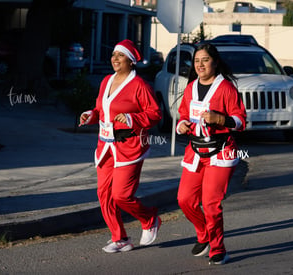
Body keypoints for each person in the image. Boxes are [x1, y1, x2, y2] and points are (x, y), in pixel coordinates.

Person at [79, 39, 162, 253]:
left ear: (131, 60)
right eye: (114, 54)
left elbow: (155, 114)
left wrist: (133, 119)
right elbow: (100, 109)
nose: (114, 58)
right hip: (105, 146)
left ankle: (150, 218)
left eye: (120, 55)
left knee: (121, 195)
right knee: (104, 194)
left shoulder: (140, 86)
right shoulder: (107, 80)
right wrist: (90, 115)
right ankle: (120, 237)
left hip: (130, 146)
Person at [176, 43, 246, 265]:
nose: (200, 65)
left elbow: (241, 121)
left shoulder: (226, 88)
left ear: (215, 62)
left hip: (220, 152)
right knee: (184, 199)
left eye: (205, 60)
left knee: (210, 203)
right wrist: (183, 125)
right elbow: (182, 115)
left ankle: (218, 248)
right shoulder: (190, 88)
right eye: (197, 61)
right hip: (195, 151)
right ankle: (204, 233)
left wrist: (220, 119)